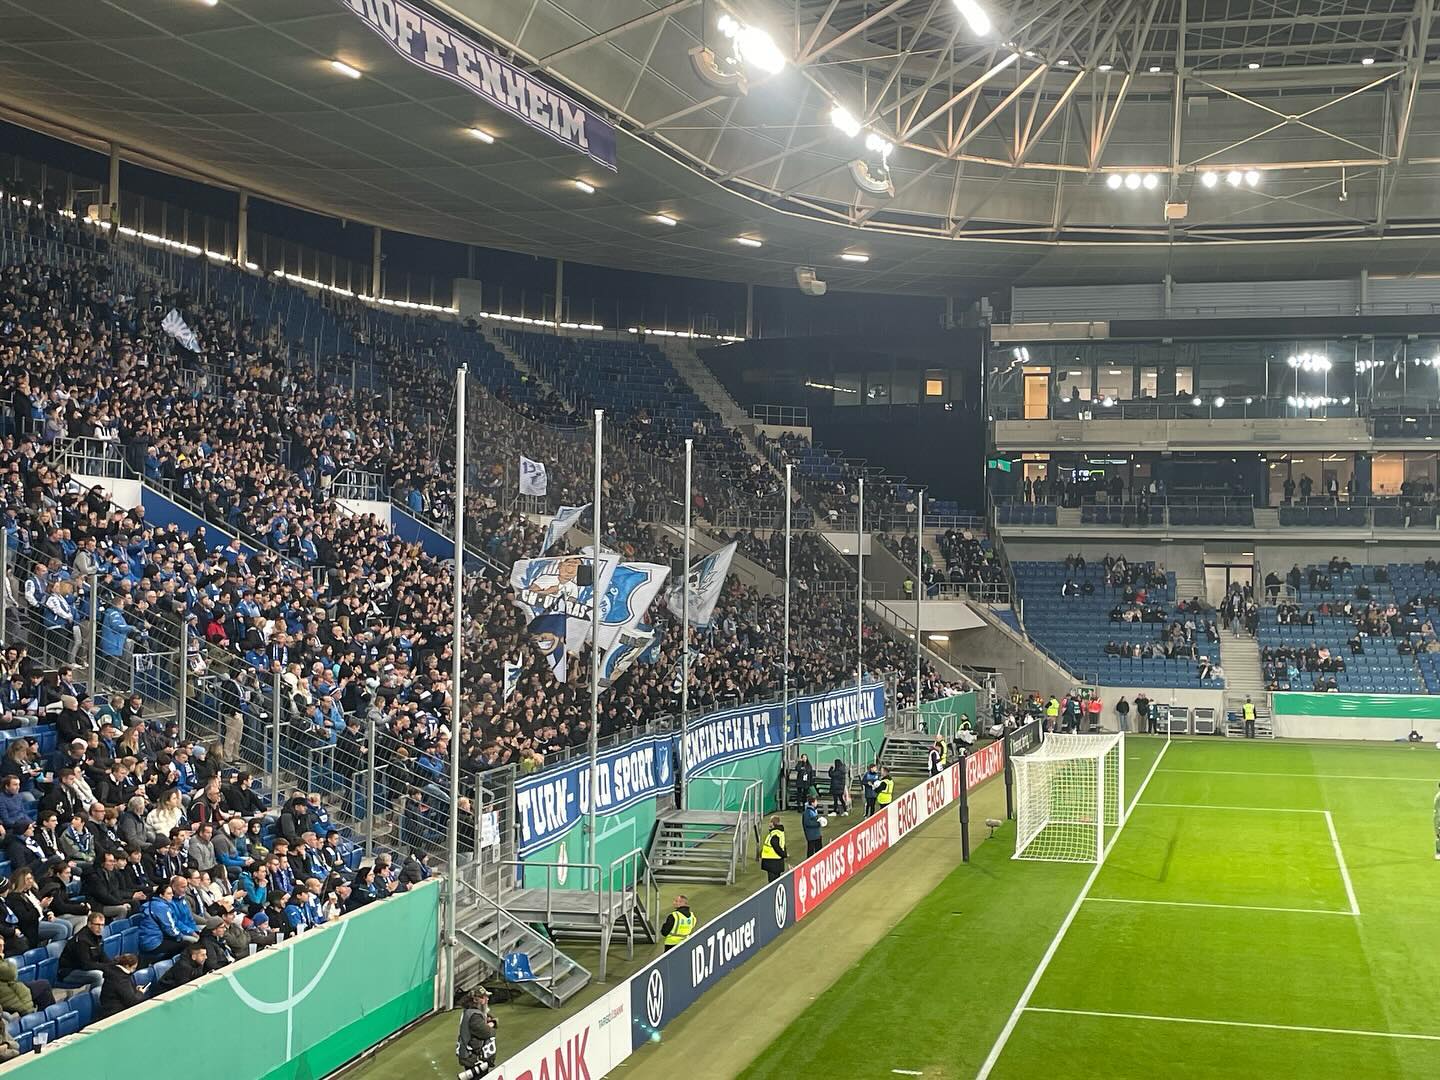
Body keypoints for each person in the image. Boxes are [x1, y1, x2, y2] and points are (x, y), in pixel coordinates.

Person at [58, 911, 108, 991]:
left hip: (82, 969)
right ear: (89, 924)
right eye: (97, 925)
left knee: (112, 970)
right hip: (69, 972)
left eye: (102, 925)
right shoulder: (82, 940)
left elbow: (102, 956)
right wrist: (106, 967)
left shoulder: (96, 936)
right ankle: (95, 996)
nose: (100, 928)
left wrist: (113, 965)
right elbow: (86, 965)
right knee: (99, 975)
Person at [456, 987, 498, 1080]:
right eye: (484, 997)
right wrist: (492, 1024)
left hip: (473, 1056)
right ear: (475, 1000)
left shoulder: (471, 1011)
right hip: (473, 1058)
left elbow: (490, 1020)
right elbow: (486, 1032)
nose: (487, 999)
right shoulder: (474, 1016)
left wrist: (490, 1022)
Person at [98, 953, 147, 1020]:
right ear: (127, 966)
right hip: (115, 1015)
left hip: (116, 1009)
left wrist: (134, 990)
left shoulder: (115, 971)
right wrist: (140, 993)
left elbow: (124, 992)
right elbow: (132, 1002)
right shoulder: (121, 979)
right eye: (133, 968)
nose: (133, 971)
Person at [758, 817, 787, 883]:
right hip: (776, 861)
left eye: (770, 822)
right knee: (776, 880)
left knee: (773, 881)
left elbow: (776, 846)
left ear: (773, 823)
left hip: (772, 862)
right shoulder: (779, 832)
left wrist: (783, 854)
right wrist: (784, 854)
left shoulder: (774, 834)